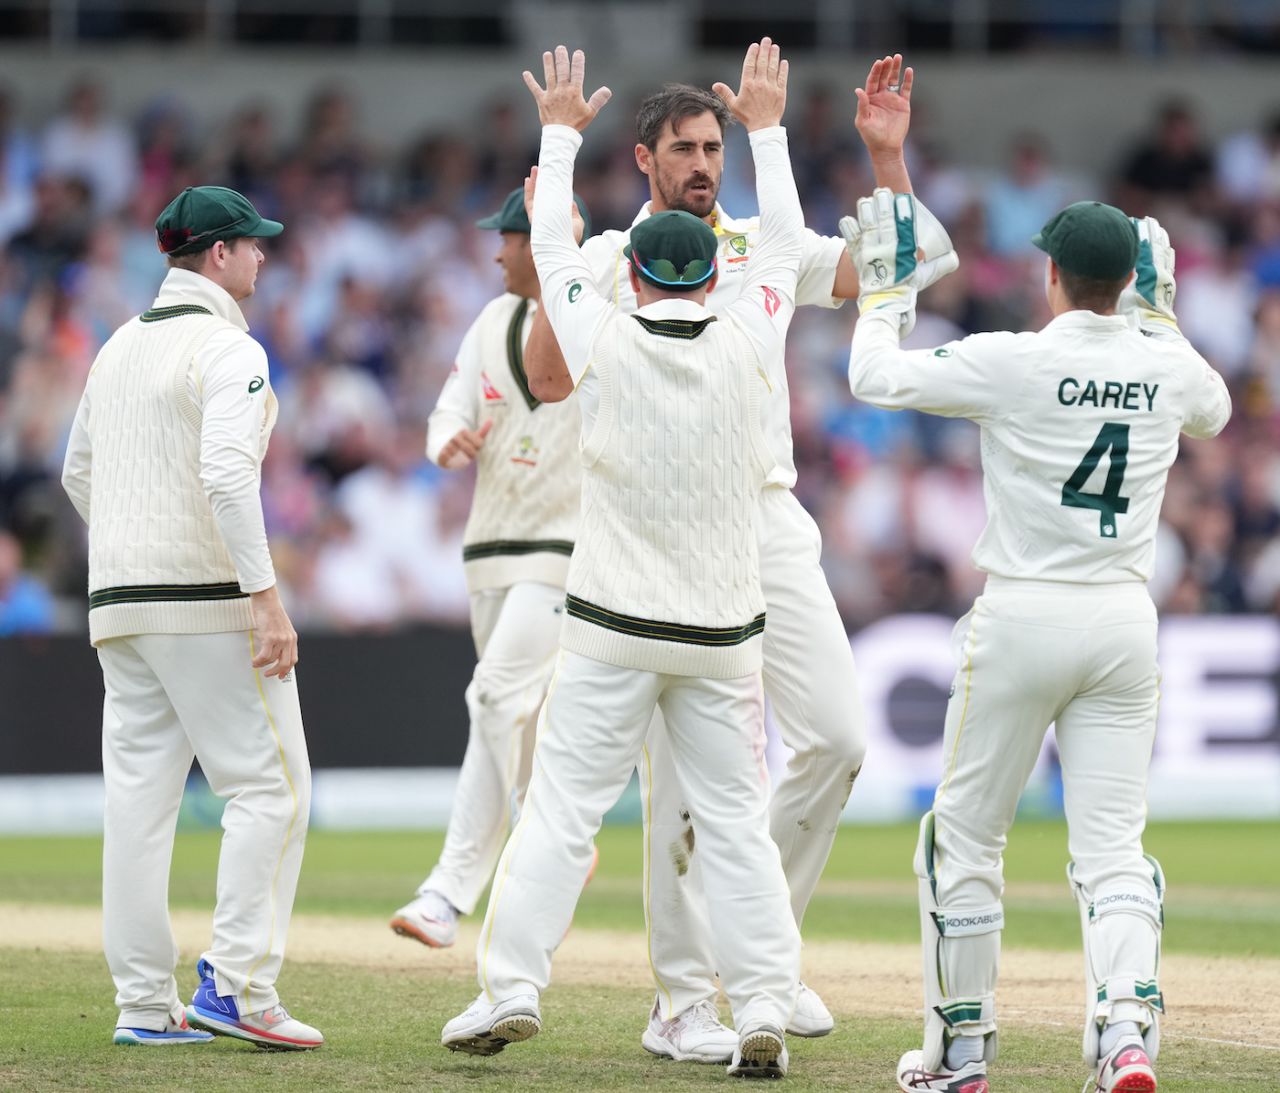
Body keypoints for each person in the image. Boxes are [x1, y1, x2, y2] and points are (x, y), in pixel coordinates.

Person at [521, 52, 956, 1058]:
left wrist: (884, 159)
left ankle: (763, 956)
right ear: (642, 159)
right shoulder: (612, 255)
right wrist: (562, 263)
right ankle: (682, 1004)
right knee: (675, 787)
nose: (704, 162)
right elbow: (545, 377)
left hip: (764, 518)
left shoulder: (764, 243)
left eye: (715, 146)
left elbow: (892, 269)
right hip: (656, 539)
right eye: (684, 148)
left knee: (840, 739)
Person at [442, 40, 805, 1078]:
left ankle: (510, 987)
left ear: (635, 269)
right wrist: (768, 130)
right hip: (722, 637)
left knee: (559, 813)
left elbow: (555, 254)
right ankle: (765, 1002)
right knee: (734, 830)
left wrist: (559, 132)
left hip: (608, 628)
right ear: (715, 279)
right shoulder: (750, 339)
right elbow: (776, 245)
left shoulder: (599, 336)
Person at [842, 193, 1230, 1092]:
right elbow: (1211, 408)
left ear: (1050, 276)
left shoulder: (1011, 361)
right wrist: (1162, 319)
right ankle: (1127, 1034)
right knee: (1112, 849)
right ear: (1129, 282)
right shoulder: (1166, 366)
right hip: (1124, 620)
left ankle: (961, 1051)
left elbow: (874, 378)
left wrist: (884, 291)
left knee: (965, 839)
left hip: (1023, 613)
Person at [61, 185, 322, 1050]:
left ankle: (143, 1003)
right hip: (206, 601)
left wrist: (134, 552)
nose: (262, 258)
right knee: (272, 789)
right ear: (219, 255)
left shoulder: (116, 348)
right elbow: (224, 475)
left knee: (138, 804)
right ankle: (240, 986)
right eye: (253, 246)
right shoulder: (228, 346)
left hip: (120, 605)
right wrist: (264, 594)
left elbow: (77, 475)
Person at [389, 183, 592, 949]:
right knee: (521, 721)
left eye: (507, 238)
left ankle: (448, 889)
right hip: (490, 549)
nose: (496, 250)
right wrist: (446, 441)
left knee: (493, 695)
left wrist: (560, 226)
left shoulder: (591, 313)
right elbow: (450, 406)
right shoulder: (488, 321)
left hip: (563, 551)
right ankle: (562, 839)